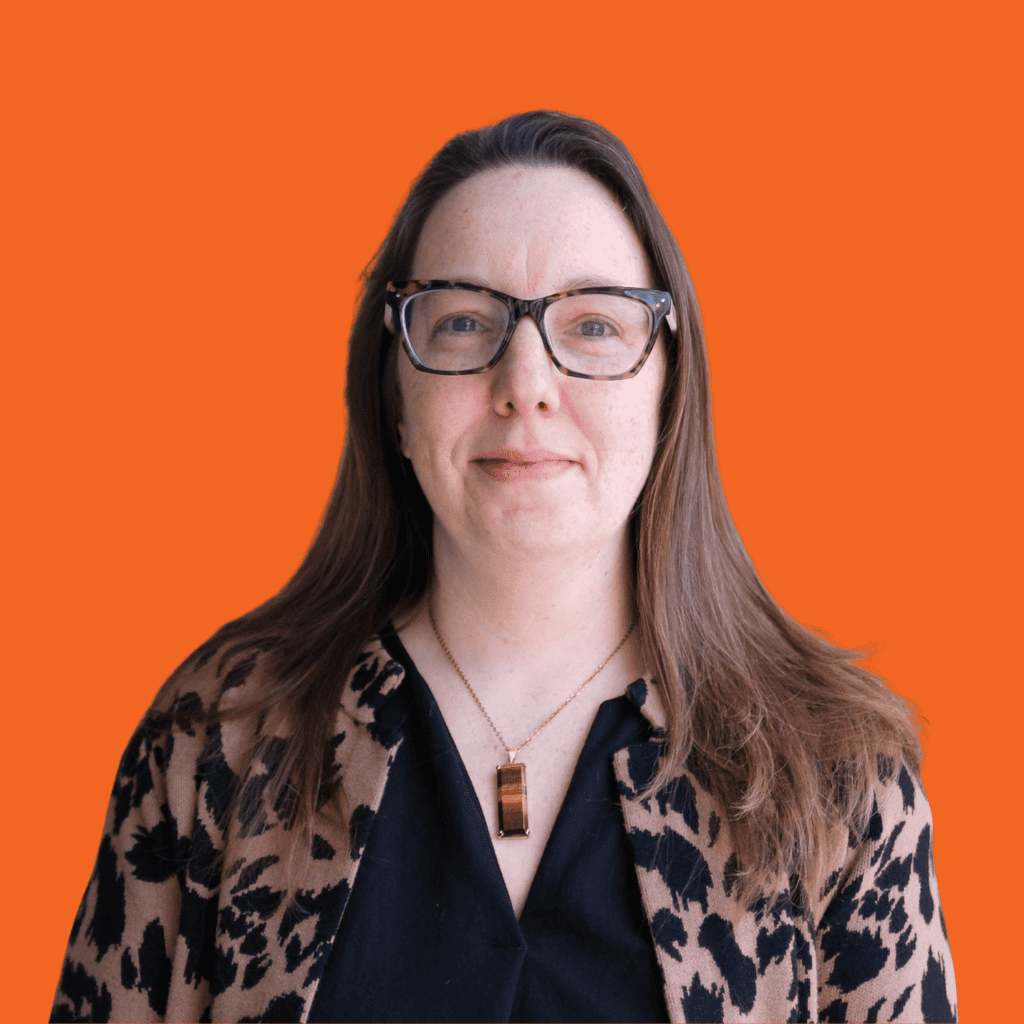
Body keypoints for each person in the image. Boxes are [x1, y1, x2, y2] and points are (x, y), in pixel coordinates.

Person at [51, 111, 957, 1023]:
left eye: (593, 324)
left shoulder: (836, 779)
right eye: (462, 322)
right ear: (396, 398)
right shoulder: (218, 741)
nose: (525, 383)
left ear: (669, 391)